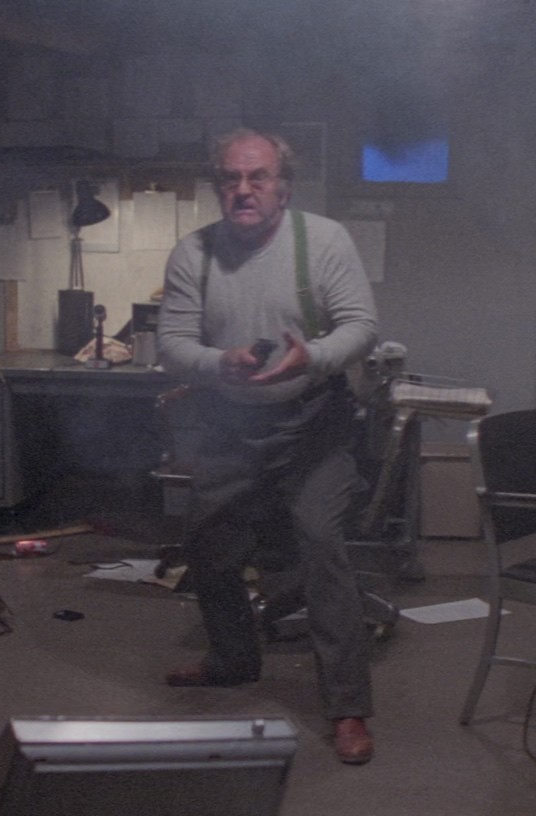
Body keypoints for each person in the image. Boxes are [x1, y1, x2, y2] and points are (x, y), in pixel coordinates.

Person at [155, 128, 381, 765]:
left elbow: (361, 325)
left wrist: (315, 358)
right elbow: (172, 344)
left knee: (319, 540)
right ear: (218, 187)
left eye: (258, 177)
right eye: (231, 178)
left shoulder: (324, 240)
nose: (244, 190)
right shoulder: (194, 253)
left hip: (314, 421)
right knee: (206, 541)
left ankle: (347, 707)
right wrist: (217, 363)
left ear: (284, 187)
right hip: (231, 422)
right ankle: (233, 659)